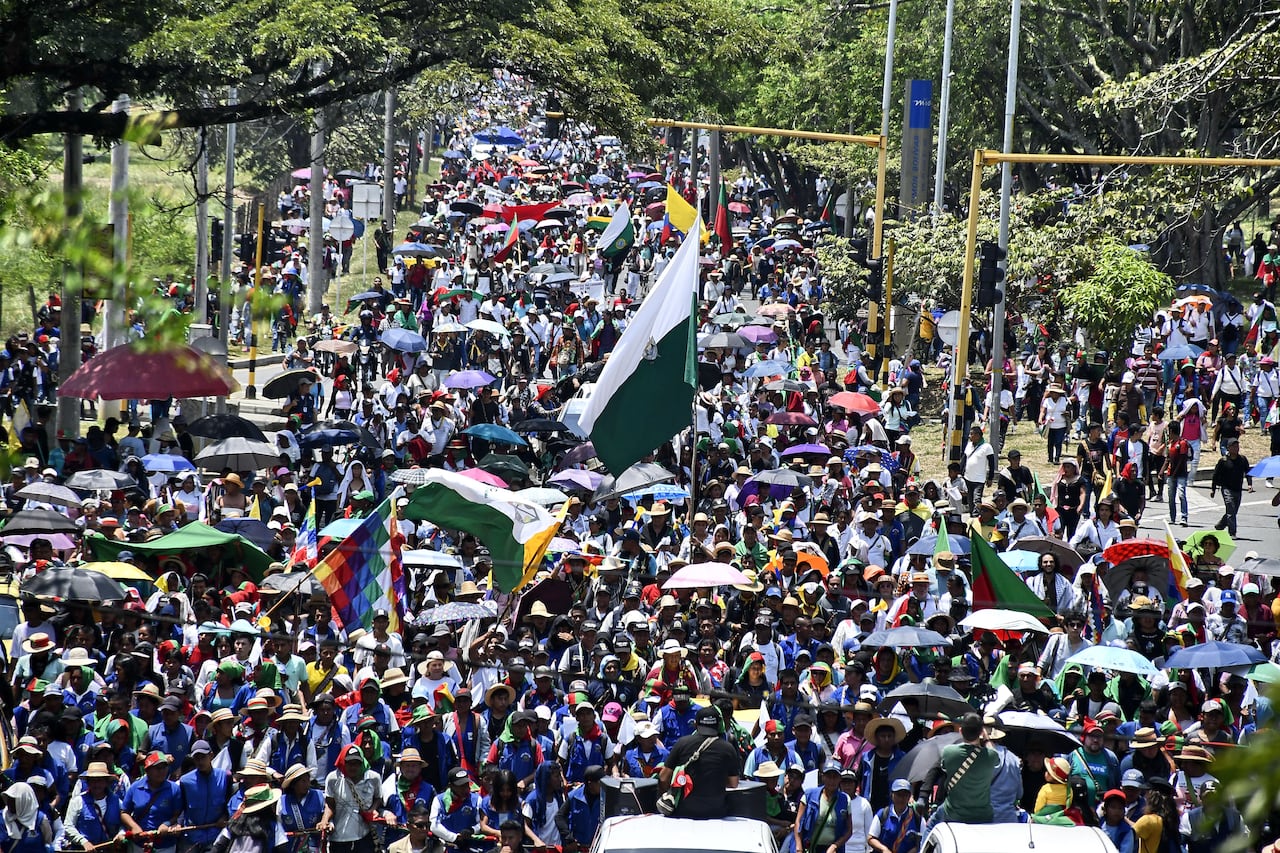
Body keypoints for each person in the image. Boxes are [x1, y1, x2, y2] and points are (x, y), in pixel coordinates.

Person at [658, 707, 742, 819]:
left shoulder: (682, 743)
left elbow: (663, 777)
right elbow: (733, 783)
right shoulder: (728, 748)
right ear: (718, 725)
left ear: (695, 724)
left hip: (684, 810)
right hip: (715, 811)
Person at [922, 713, 998, 835]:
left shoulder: (949, 752)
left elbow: (940, 768)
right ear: (980, 733)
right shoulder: (991, 756)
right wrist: (986, 738)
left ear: (961, 731)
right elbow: (994, 753)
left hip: (953, 812)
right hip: (983, 814)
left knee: (930, 826)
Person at [792, 763, 861, 853]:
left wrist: (835, 846)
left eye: (835, 777)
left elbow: (849, 830)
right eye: (828, 776)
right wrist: (798, 847)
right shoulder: (809, 795)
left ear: (840, 779)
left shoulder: (845, 799)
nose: (832, 780)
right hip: (808, 847)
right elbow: (798, 822)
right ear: (822, 777)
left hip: (832, 850)